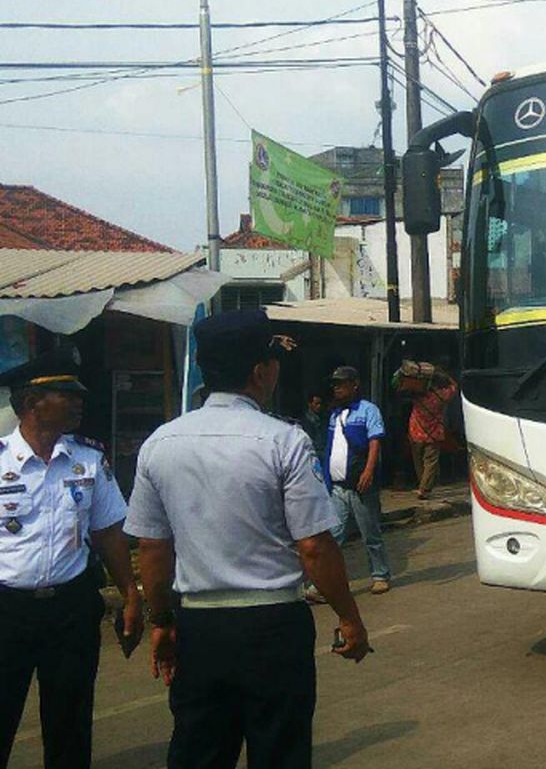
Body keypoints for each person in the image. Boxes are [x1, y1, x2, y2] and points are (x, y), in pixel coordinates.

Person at [124, 310, 371, 769]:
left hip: (199, 627)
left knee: (199, 751)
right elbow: (314, 546)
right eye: (273, 362)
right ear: (261, 371)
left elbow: (153, 550)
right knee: (279, 750)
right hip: (273, 626)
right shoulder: (284, 441)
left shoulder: (161, 443)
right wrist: (349, 616)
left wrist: (161, 621)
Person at [0, 347, 143, 769]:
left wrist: (131, 596)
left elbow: (109, 533)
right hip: (7, 609)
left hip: (70, 608)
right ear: (31, 403)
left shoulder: (88, 459)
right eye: (67, 394)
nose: (79, 402)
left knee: (70, 721)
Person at [324, 366, 391, 595]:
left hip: (360, 484)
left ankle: (380, 574)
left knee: (370, 533)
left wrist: (368, 471)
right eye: (334, 384)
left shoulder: (368, 410)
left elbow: (374, 442)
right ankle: (324, 583)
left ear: (354, 385)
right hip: (338, 487)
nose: (336, 388)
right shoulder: (334, 414)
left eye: (341, 384)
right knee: (334, 536)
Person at [403, 365, 459, 500]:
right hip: (433, 433)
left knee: (418, 461)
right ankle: (424, 489)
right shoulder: (442, 395)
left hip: (415, 431)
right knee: (430, 462)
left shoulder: (418, 394)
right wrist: (446, 375)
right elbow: (454, 387)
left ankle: (422, 486)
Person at [301, 392, 326, 457]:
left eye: (320, 404)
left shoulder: (323, 419)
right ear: (310, 404)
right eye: (316, 404)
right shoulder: (304, 421)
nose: (319, 406)